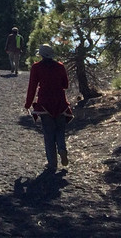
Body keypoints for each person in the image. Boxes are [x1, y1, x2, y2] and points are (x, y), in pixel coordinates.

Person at [24, 44, 74, 173]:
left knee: (48, 134)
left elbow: (32, 87)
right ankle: (62, 149)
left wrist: (28, 104)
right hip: (60, 102)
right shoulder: (60, 66)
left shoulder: (36, 67)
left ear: (40, 54)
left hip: (45, 104)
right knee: (60, 130)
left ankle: (52, 163)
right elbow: (65, 85)